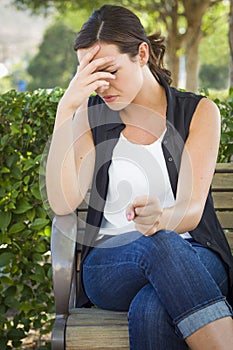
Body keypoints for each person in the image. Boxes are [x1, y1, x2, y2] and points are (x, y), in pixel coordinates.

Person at [46, 4, 233, 349]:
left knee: (151, 306)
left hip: (197, 256)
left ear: (141, 54)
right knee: (157, 243)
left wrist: (160, 217)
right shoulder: (90, 117)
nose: (101, 85)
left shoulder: (198, 112)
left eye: (109, 70)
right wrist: (66, 111)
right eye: (89, 74)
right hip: (109, 266)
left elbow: (191, 211)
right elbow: (63, 201)